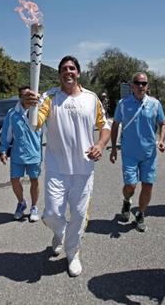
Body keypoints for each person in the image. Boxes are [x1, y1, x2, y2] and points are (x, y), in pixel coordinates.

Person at [26, 55, 110, 277]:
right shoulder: (50, 98)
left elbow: (105, 126)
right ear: (59, 74)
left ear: (78, 73)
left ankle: (73, 253)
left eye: (72, 68)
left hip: (84, 169)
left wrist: (100, 144)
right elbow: (35, 124)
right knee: (52, 213)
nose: (68, 71)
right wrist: (30, 108)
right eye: (64, 68)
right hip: (56, 169)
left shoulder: (92, 99)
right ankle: (60, 232)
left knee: (80, 215)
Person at [109, 72, 165, 232]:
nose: (141, 86)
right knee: (131, 186)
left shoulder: (155, 104)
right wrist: (113, 148)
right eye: (137, 83)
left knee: (148, 186)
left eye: (144, 83)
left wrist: (161, 140)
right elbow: (115, 125)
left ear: (147, 86)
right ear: (132, 86)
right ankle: (127, 201)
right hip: (129, 153)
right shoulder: (123, 103)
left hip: (149, 154)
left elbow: (163, 123)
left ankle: (140, 214)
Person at [0, 86, 42, 222]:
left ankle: (34, 206)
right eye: (24, 95)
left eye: (30, 94)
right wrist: (3, 150)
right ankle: (21, 202)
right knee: (14, 180)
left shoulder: (39, 111)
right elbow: (7, 133)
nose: (27, 97)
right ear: (20, 97)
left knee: (34, 180)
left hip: (34, 153)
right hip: (18, 154)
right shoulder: (12, 114)